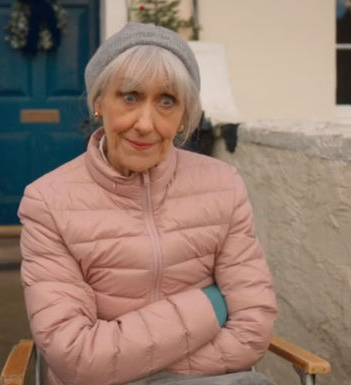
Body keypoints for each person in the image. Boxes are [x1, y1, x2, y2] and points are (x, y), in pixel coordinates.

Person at [18, 23, 277, 385]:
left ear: (184, 115)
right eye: (130, 96)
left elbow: (251, 331)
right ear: (98, 102)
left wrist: (136, 366)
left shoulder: (223, 186)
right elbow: (76, 354)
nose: (145, 123)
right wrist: (212, 305)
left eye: (167, 101)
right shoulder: (48, 202)